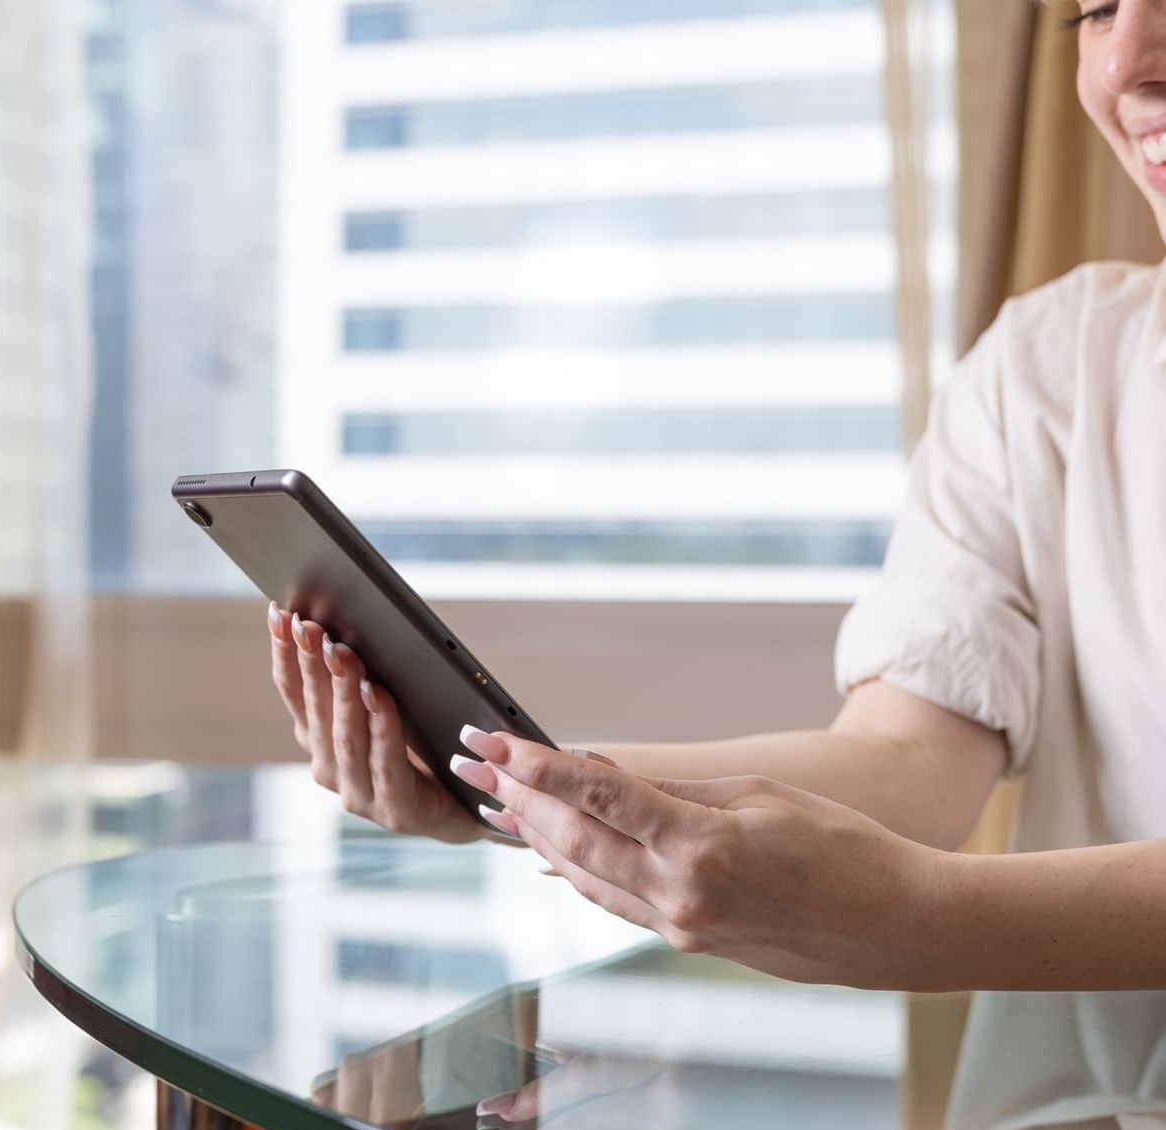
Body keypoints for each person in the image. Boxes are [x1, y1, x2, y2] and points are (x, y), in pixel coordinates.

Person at [268, 0, 1166, 1033]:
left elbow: (914, 872)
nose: (1130, 60)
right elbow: (908, 762)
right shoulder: (1045, 369)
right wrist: (524, 781)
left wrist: (920, 915)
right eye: (1095, 8)